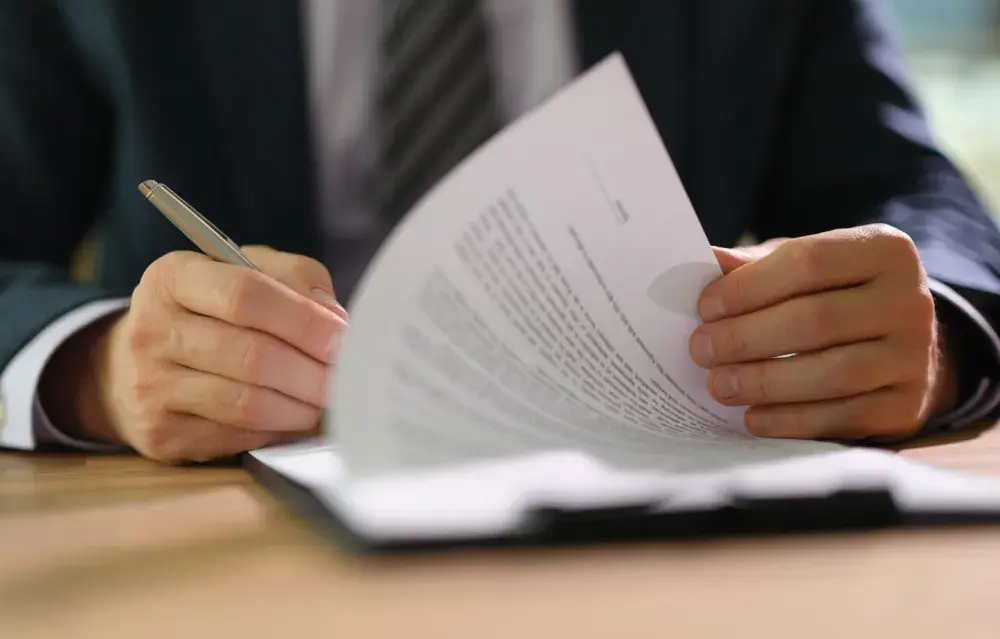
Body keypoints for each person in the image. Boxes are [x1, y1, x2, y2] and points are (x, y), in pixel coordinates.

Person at [2, 0, 1000, 464]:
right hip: (213, 525)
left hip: (662, 517)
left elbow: (906, 189)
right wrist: (97, 368)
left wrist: (937, 331)